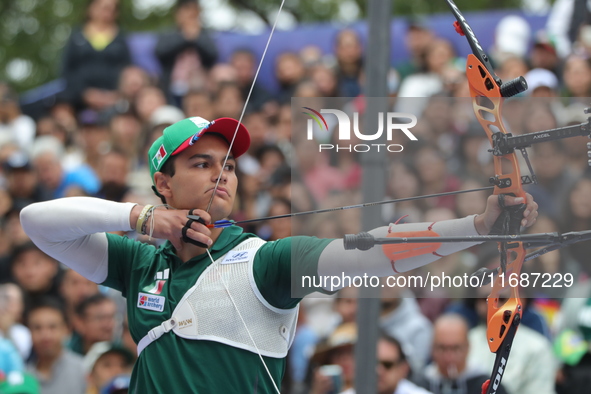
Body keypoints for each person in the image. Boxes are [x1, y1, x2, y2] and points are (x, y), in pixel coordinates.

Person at [20, 116, 538, 393]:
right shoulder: (140, 265)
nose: (222, 174)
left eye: (229, 165)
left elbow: (370, 253)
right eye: (201, 164)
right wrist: (141, 219)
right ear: (163, 183)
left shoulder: (264, 262)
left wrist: (479, 226)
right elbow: (38, 223)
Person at [422, 314, 508, 394]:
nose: (448, 357)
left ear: (467, 347)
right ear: (432, 348)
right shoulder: (421, 384)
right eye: (442, 348)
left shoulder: (489, 386)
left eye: (456, 348)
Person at [26, 297, 87, 394]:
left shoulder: (84, 371)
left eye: (52, 327)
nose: (45, 335)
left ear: (66, 329)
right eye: (37, 328)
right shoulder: (23, 377)